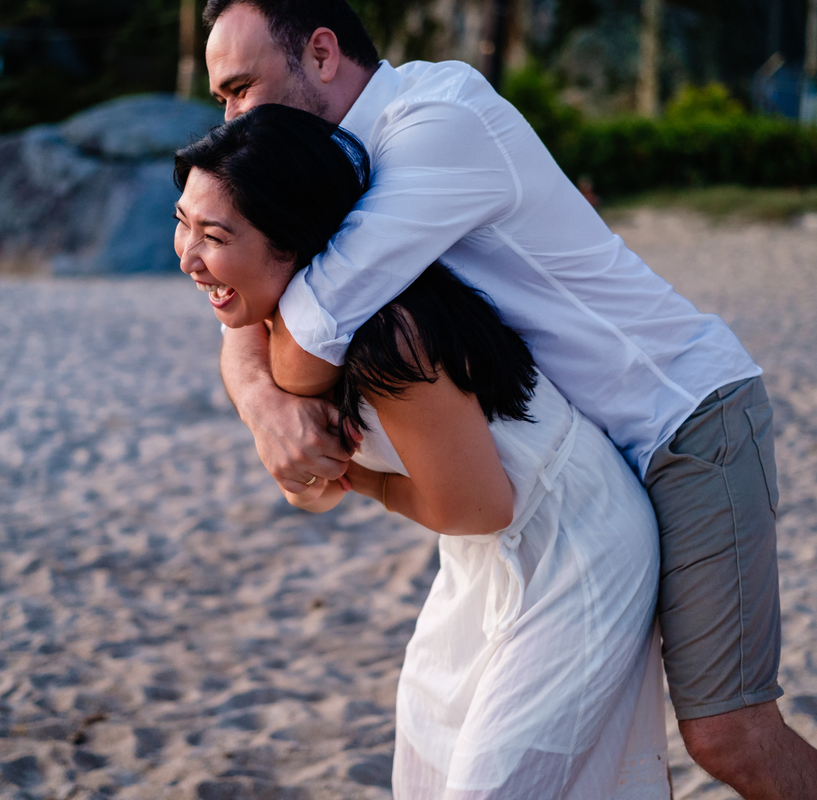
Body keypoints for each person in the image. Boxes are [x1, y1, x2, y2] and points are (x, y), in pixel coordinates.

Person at [201, 2, 817, 798]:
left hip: (682, 420)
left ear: (323, 52)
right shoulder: (343, 163)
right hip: (582, 471)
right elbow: (255, 295)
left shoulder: (431, 128)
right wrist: (259, 403)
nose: (233, 118)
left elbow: (307, 329)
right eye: (221, 100)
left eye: (241, 89)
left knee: (729, 733)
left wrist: (277, 400)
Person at [175, 102, 669, 799]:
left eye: (214, 235)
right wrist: (287, 435)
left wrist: (364, 483)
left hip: (575, 544)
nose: (189, 258)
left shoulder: (388, 335)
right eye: (181, 223)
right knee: (435, 760)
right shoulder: (285, 325)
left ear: (292, 242)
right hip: (482, 561)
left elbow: (477, 505)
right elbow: (306, 491)